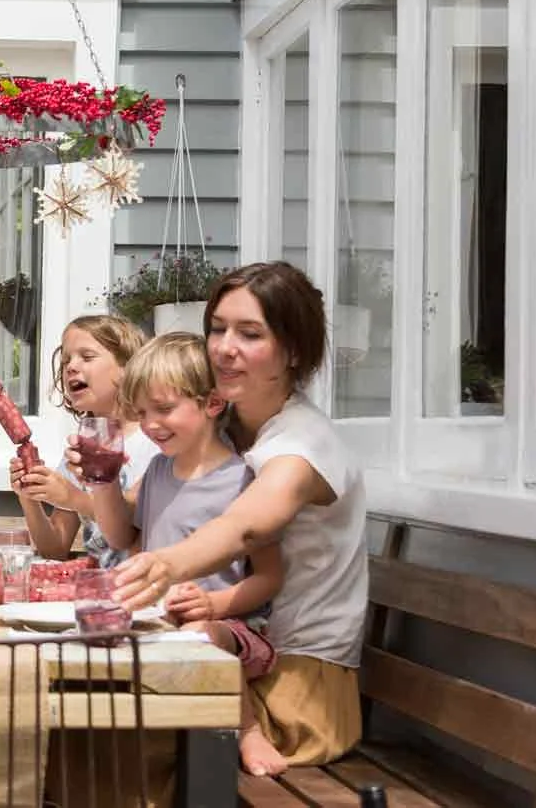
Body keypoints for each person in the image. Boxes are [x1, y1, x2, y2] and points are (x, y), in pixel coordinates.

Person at [113, 261, 367, 771]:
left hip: (298, 682)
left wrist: (165, 564)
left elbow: (245, 527)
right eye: (217, 328)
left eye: (250, 334)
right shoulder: (224, 423)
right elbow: (137, 506)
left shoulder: (302, 444)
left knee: (117, 745)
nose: (224, 348)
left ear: (293, 351)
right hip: (220, 652)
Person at [75, 332, 284, 775]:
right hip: (157, 623)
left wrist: (213, 604)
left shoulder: (243, 480)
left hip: (231, 630)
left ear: (212, 404)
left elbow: (269, 578)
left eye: (164, 409)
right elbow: (118, 535)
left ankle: (247, 730)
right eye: (141, 413)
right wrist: (102, 480)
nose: (151, 424)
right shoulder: (157, 470)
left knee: (199, 635)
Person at [8, 315, 160, 562]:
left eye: (87, 357)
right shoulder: (81, 449)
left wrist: (73, 498)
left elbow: (135, 528)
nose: (71, 367)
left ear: (128, 369)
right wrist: (29, 498)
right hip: (100, 582)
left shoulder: (155, 441)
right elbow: (55, 548)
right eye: (66, 360)